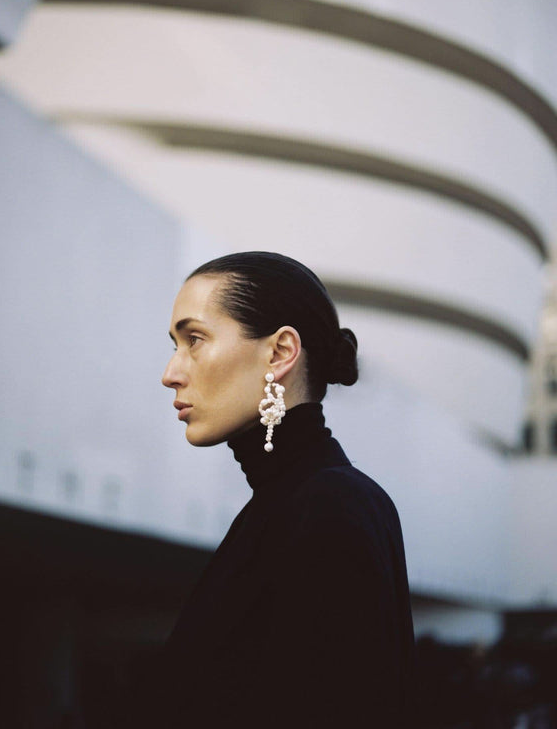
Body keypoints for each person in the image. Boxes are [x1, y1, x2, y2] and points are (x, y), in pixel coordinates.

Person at [160, 251, 415, 728]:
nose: (171, 372)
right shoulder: (291, 505)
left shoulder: (329, 507)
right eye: (176, 344)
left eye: (194, 340)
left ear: (279, 353)